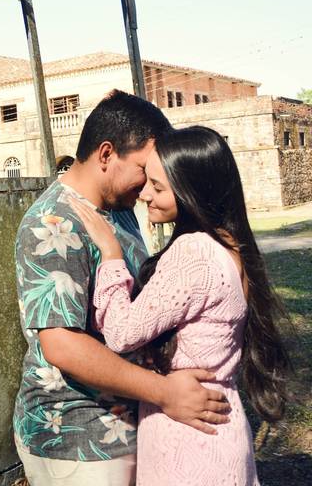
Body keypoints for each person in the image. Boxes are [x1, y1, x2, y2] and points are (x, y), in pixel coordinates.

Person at [12, 90, 232, 486]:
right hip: (79, 436)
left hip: (122, 426)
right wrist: (165, 392)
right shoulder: (53, 223)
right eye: (143, 168)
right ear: (106, 154)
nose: (149, 184)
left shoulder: (119, 207)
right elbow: (62, 345)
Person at [68, 126, 291, 485]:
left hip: (188, 437)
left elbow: (122, 334)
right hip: (218, 423)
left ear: (191, 193)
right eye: (146, 182)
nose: (144, 195)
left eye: (157, 187)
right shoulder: (232, 245)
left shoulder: (196, 253)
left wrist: (111, 255)